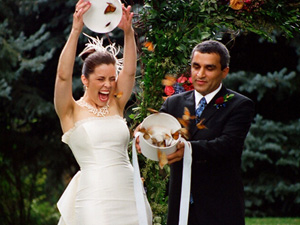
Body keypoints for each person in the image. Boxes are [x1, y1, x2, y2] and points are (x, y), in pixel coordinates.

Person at [136, 40, 254, 225]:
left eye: (209, 68)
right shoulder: (173, 103)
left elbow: (228, 145)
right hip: (180, 205)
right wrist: (142, 137)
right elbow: (157, 132)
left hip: (220, 206)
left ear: (224, 71)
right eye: (196, 66)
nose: (200, 74)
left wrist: (188, 149)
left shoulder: (239, 105)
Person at [54, 0, 152, 224]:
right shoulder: (70, 111)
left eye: (111, 79)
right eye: (101, 79)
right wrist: (76, 29)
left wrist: (128, 32)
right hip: (94, 199)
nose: (108, 85)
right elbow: (62, 77)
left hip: (129, 194)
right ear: (85, 80)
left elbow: (128, 73)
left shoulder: (116, 103)